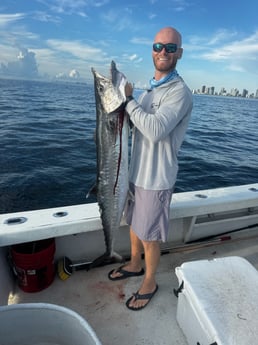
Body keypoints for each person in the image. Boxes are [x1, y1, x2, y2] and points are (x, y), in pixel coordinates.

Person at [108, 26, 193, 311]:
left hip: (156, 179)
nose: (163, 52)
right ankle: (133, 263)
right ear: (152, 50)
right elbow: (136, 125)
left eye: (170, 48)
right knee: (134, 223)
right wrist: (119, 104)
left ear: (179, 53)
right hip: (134, 174)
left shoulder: (179, 92)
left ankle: (150, 281)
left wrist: (129, 100)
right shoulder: (148, 91)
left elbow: (155, 130)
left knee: (150, 235)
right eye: (158, 46)